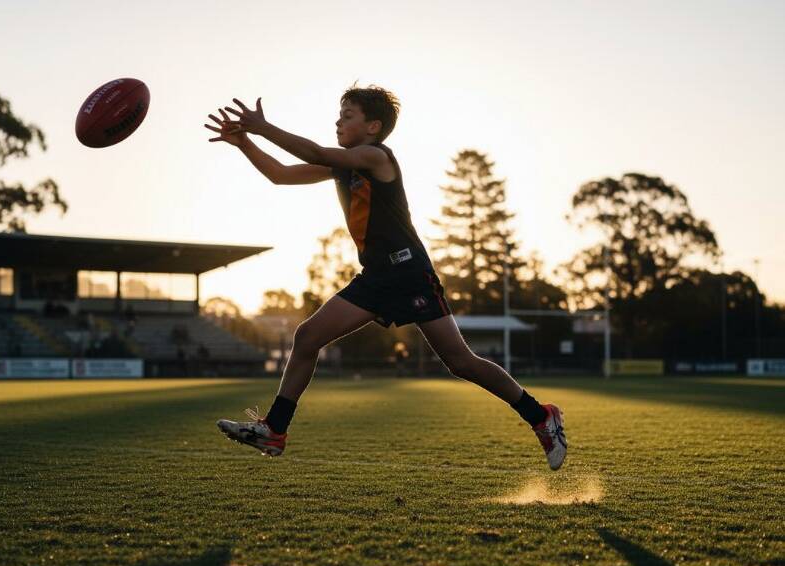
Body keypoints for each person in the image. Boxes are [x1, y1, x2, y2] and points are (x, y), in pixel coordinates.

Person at [205, 85, 566, 469]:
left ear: (373, 126)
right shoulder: (343, 165)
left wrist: (264, 127)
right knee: (307, 336)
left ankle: (541, 416)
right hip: (377, 275)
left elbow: (313, 152)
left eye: (347, 116)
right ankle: (274, 430)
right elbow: (280, 174)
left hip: (409, 271)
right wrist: (244, 142)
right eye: (339, 115)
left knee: (460, 362)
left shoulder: (376, 157)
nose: (338, 122)